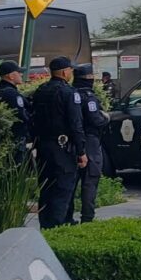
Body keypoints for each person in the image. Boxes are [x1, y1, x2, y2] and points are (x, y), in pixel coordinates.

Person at [32, 56, 87, 229]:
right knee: (62, 189)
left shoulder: (41, 90)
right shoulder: (69, 93)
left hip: (43, 147)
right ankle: (56, 229)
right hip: (63, 148)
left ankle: (45, 226)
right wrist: (81, 151)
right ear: (65, 72)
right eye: (70, 69)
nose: (71, 72)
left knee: (46, 188)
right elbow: (76, 124)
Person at [68, 64, 110, 223]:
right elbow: (96, 119)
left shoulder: (71, 94)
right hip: (90, 142)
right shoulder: (88, 97)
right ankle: (87, 217)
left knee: (71, 181)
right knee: (90, 179)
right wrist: (106, 117)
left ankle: (67, 217)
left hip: (72, 142)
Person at [0, 60, 33, 163]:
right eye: (18, 72)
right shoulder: (11, 93)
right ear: (11, 76)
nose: (21, 74)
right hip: (16, 138)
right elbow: (22, 116)